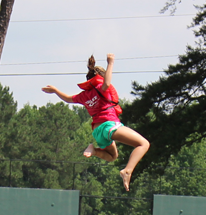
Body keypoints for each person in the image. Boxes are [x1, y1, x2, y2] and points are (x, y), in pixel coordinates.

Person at [42, 53, 150, 191]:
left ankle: (93, 150)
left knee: (112, 157)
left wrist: (56, 91)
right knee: (144, 144)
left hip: (98, 132)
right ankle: (127, 171)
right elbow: (106, 83)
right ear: (100, 78)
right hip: (109, 125)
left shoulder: (84, 95)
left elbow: (68, 98)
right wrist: (110, 63)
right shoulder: (101, 89)